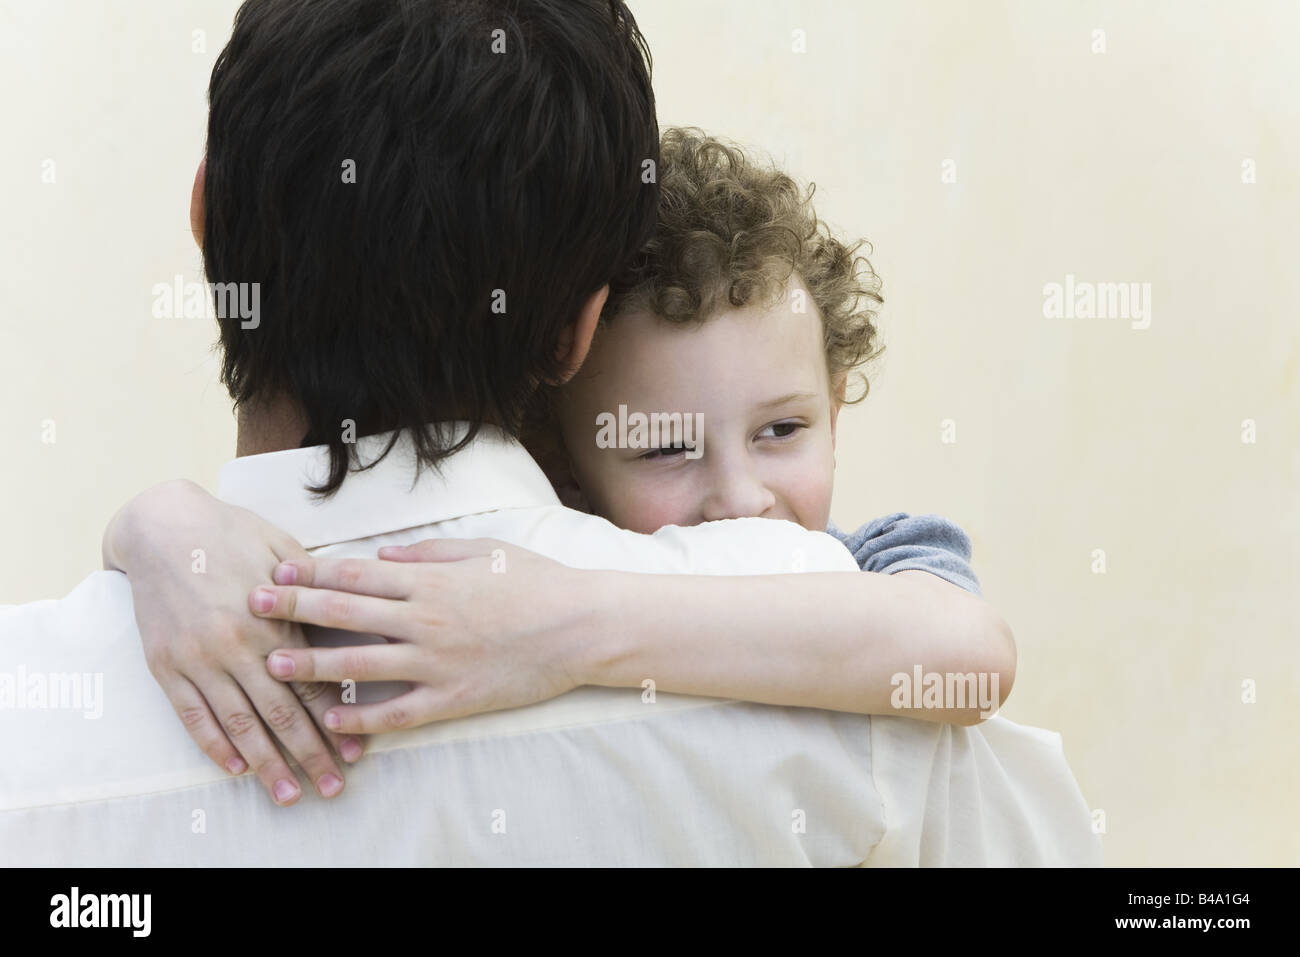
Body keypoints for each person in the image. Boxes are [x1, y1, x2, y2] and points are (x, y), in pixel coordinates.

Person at [0, 0, 1101, 865]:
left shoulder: (33, 717)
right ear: (578, 333)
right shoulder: (828, 676)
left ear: (206, 221)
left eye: (781, 430)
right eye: (668, 443)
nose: (740, 496)